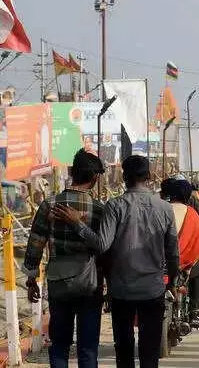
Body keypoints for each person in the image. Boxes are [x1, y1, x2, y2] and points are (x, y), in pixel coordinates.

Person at [53, 155, 178, 368]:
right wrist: (172, 282)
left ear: (124, 177)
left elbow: (102, 245)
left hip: (122, 289)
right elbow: (173, 252)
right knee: (150, 350)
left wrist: (77, 224)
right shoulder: (165, 208)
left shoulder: (115, 206)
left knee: (124, 347)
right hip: (152, 289)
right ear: (148, 176)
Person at [23, 149, 106, 368]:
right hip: (90, 284)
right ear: (95, 178)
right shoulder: (99, 209)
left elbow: (35, 244)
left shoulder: (49, 205)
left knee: (59, 345)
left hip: (58, 283)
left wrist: (31, 280)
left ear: (71, 172)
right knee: (88, 348)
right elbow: (104, 248)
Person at [163, 179, 199, 328]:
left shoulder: (161, 209)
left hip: (160, 261)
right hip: (185, 262)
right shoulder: (192, 214)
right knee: (198, 273)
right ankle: (194, 310)